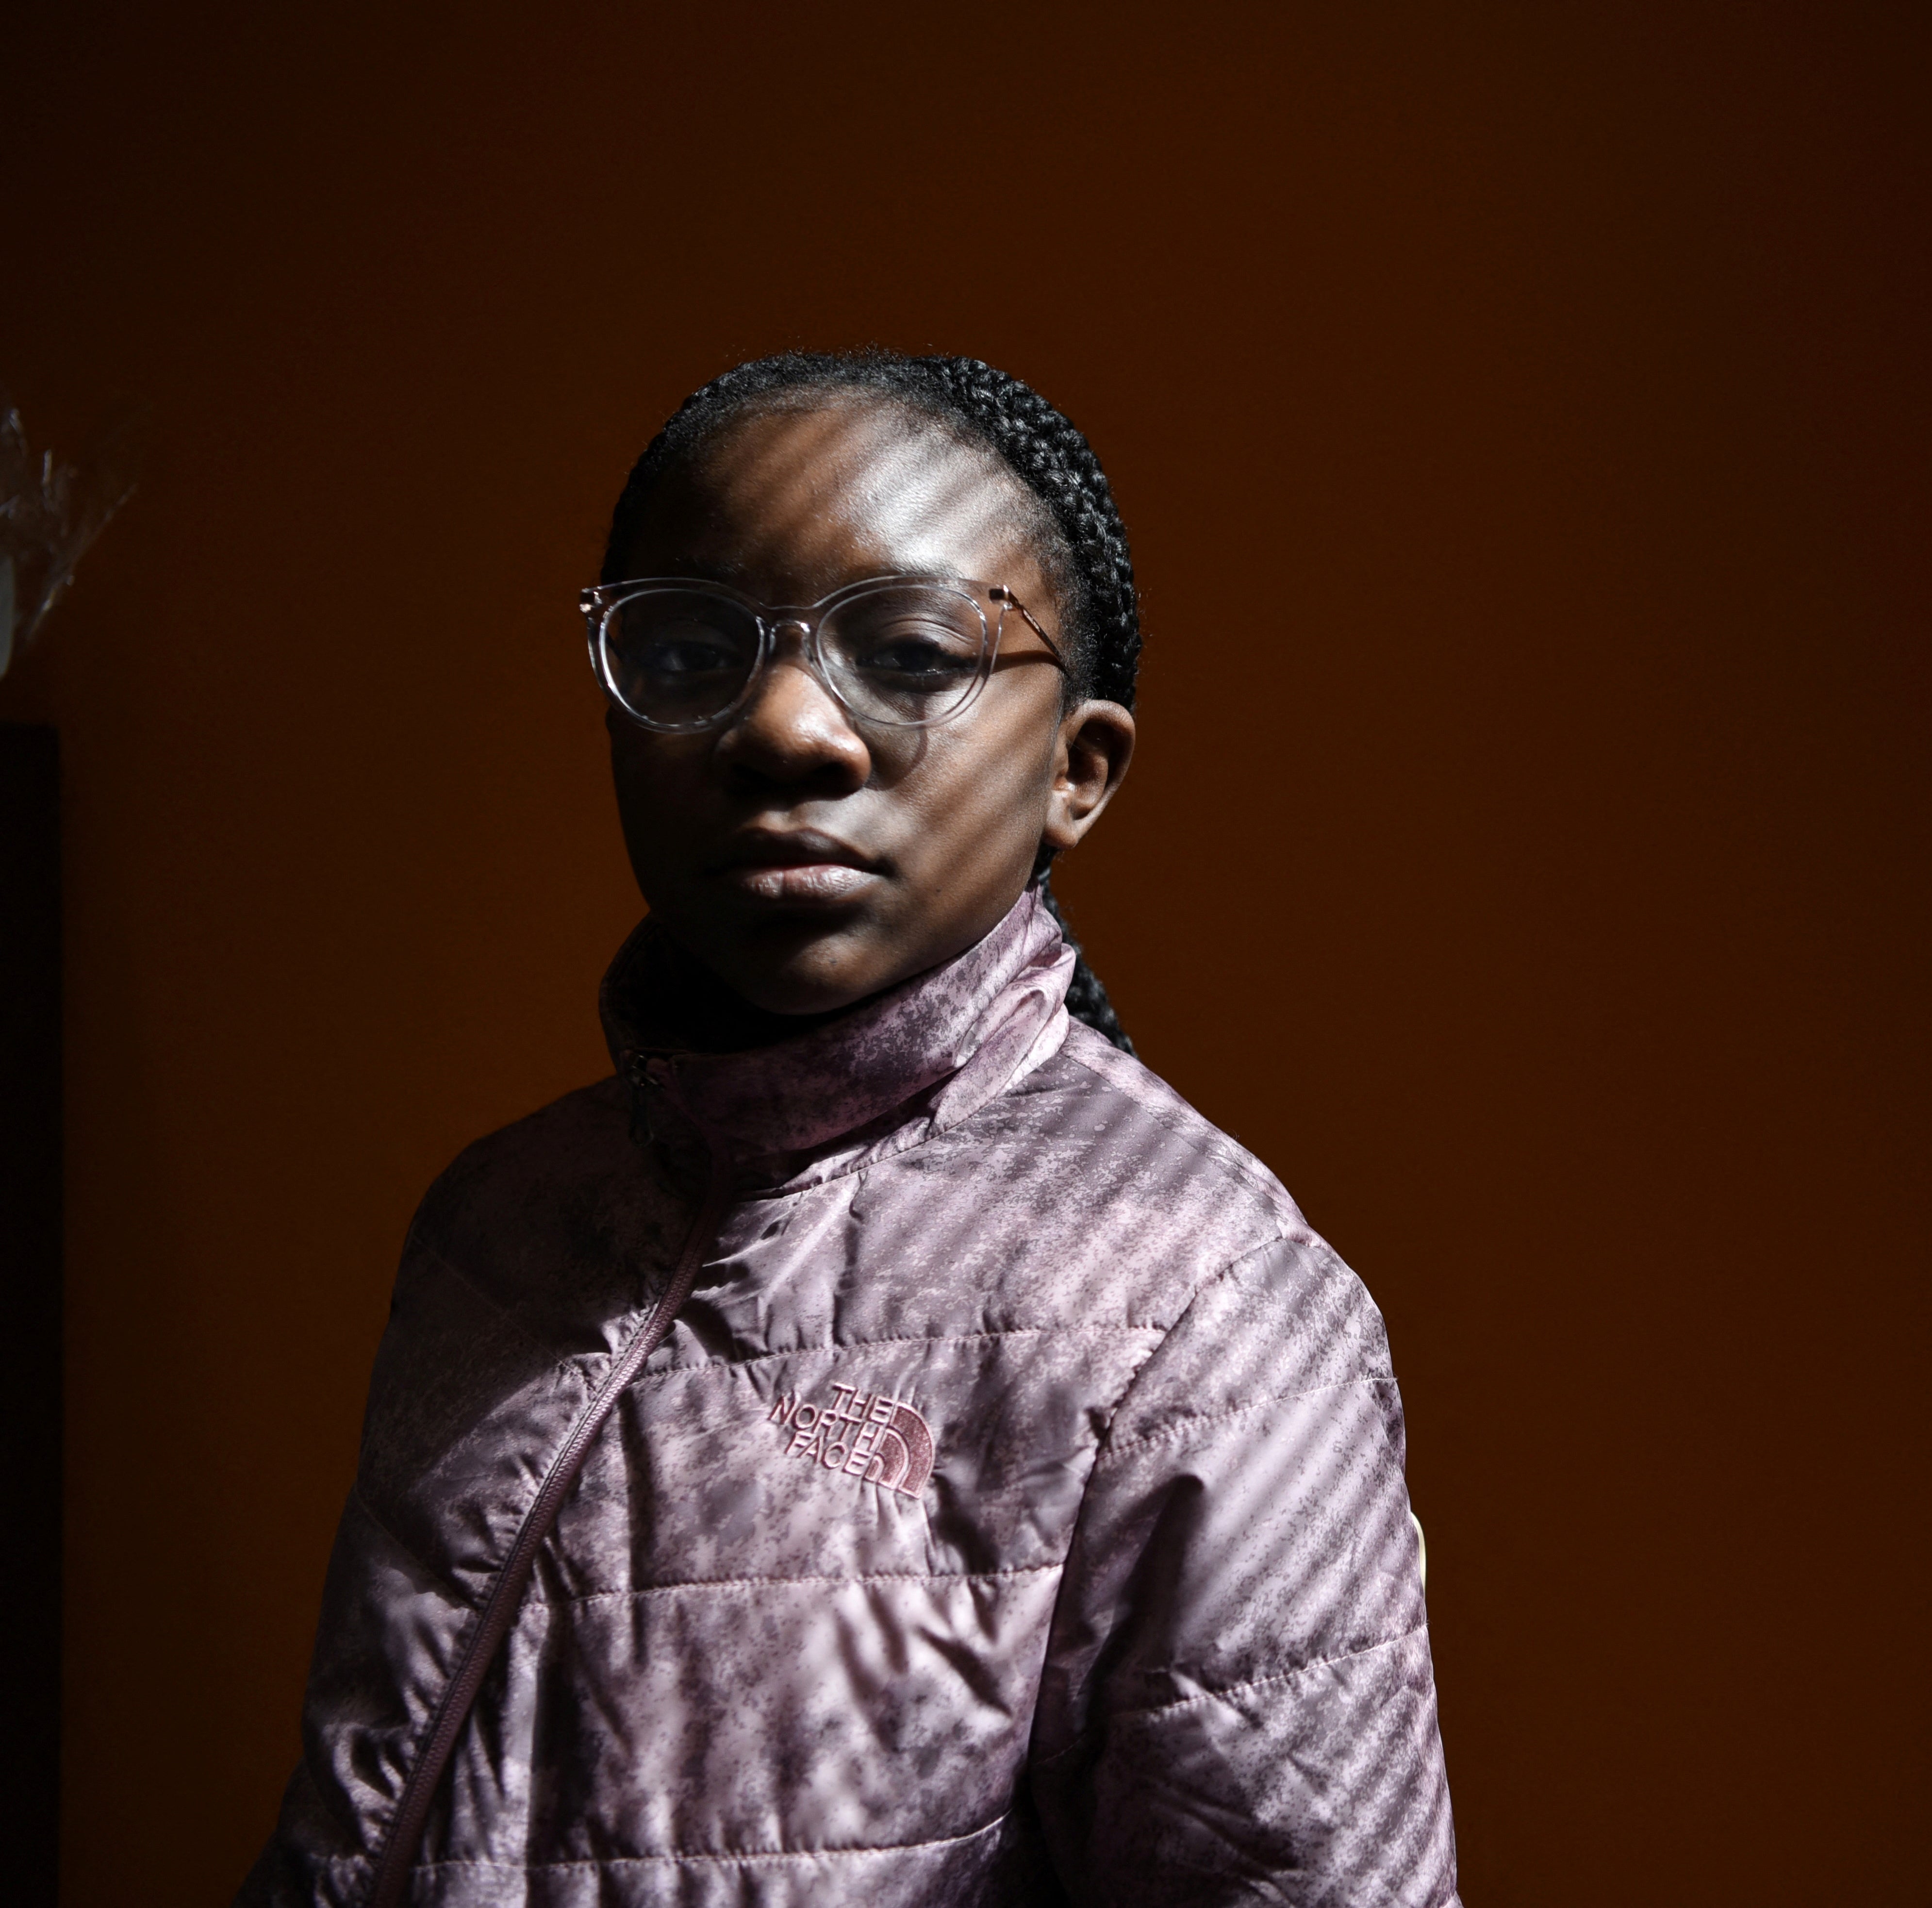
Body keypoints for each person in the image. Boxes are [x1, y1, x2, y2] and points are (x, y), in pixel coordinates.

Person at [241, 351, 1460, 1907]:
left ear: (1076, 771)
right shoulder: (495, 1225)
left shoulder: (1209, 1309)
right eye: (687, 649)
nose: (792, 731)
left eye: (910, 651)